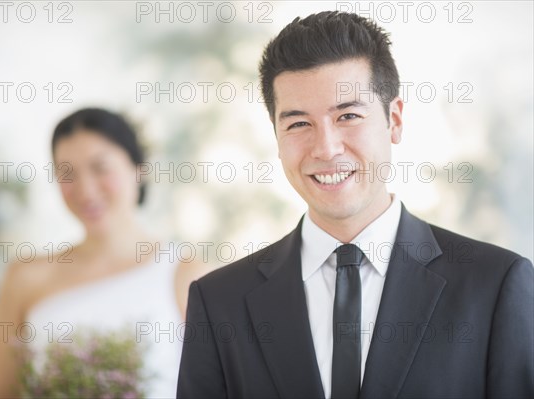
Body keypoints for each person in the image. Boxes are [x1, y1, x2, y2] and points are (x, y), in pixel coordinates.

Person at [177, 11, 534, 398]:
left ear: (394, 120)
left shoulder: (494, 285)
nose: (326, 148)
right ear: (276, 136)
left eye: (348, 115)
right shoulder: (219, 303)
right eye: (298, 123)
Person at [0, 108, 203, 398]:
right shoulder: (25, 276)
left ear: (138, 169)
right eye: (67, 174)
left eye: (100, 168)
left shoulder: (186, 274)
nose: (86, 190)